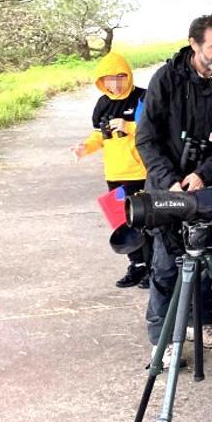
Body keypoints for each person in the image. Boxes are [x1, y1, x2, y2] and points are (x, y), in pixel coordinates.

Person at [135, 14, 212, 357]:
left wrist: (203, 173)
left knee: (206, 256)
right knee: (166, 264)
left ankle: (200, 322)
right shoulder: (166, 79)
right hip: (165, 186)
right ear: (194, 44)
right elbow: (146, 138)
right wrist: (170, 180)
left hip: (209, 184)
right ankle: (162, 340)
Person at [71, 51, 149, 288]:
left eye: (120, 77)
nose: (115, 84)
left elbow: (155, 129)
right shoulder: (102, 103)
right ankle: (137, 265)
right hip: (114, 175)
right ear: (101, 81)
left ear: (128, 75)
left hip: (141, 173)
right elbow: (98, 134)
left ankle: (154, 266)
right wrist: (85, 147)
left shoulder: (143, 98)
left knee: (146, 222)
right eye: (108, 79)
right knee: (121, 222)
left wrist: (130, 126)